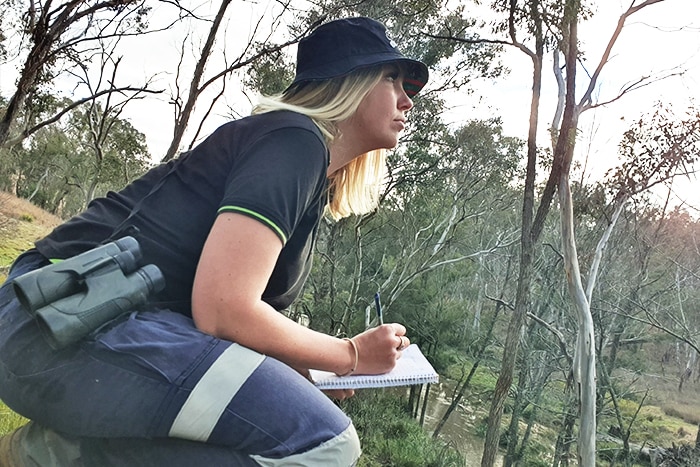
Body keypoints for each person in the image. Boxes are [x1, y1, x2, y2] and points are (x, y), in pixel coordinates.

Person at [0, 16, 428, 466]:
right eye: (391, 79)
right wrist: (349, 354)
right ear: (348, 85)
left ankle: (61, 451)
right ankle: (57, 454)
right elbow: (223, 308)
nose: (407, 99)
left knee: (307, 422)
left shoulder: (305, 169)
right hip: (51, 318)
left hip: (80, 328)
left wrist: (308, 369)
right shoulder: (294, 141)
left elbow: (223, 315)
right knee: (326, 441)